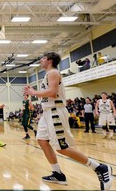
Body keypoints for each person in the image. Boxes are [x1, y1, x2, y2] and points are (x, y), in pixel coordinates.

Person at [23, 52, 113, 190]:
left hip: (55, 112)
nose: (41, 60)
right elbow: (48, 95)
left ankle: (100, 167)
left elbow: (52, 93)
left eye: (43, 58)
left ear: (50, 60)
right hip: (47, 112)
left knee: (61, 148)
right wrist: (34, 92)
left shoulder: (53, 72)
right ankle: (58, 173)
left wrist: (33, 93)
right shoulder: (47, 75)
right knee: (41, 140)